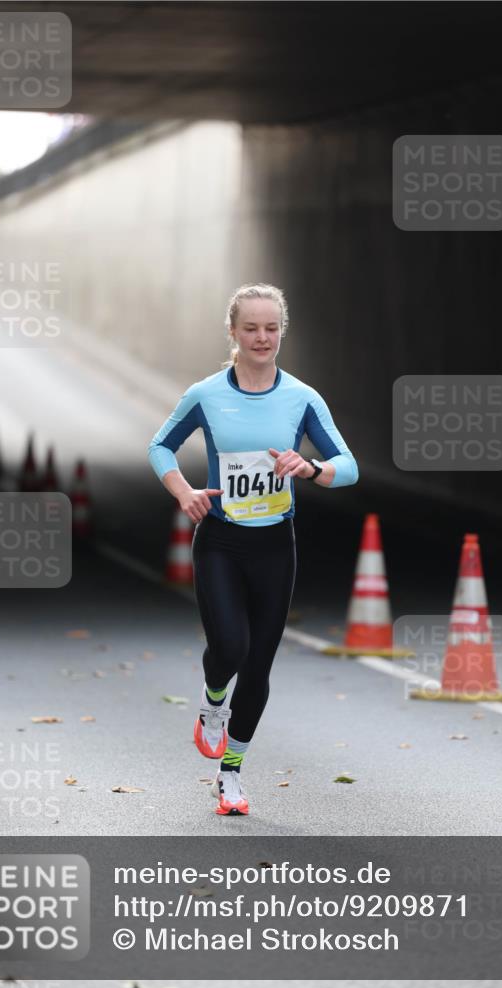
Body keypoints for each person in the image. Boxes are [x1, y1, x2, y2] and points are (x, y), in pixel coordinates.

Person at [148, 283, 358, 815]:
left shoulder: (302, 398)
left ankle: (231, 776)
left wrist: (309, 468)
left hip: (274, 546)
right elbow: (160, 446)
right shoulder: (206, 394)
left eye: (271, 328)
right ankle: (212, 699)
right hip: (220, 540)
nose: (262, 337)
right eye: (251, 328)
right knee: (231, 649)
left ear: (281, 331)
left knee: (260, 665)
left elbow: (349, 468)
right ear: (233, 333)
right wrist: (185, 493)